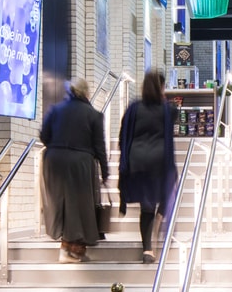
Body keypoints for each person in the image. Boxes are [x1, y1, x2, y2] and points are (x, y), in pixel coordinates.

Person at [39, 77, 109, 263]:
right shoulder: (94, 115)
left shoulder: (55, 110)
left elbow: (44, 136)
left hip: (53, 160)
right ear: (87, 93)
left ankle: (66, 247)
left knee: (59, 203)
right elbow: (99, 146)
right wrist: (105, 171)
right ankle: (73, 251)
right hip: (80, 162)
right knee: (79, 205)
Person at [118, 69, 179, 264]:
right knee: (170, 192)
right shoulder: (168, 110)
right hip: (160, 163)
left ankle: (148, 251)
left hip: (137, 163)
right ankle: (161, 215)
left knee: (146, 207)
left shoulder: (133, 108)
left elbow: (122, 135)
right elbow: (174, 116)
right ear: (161, 88)